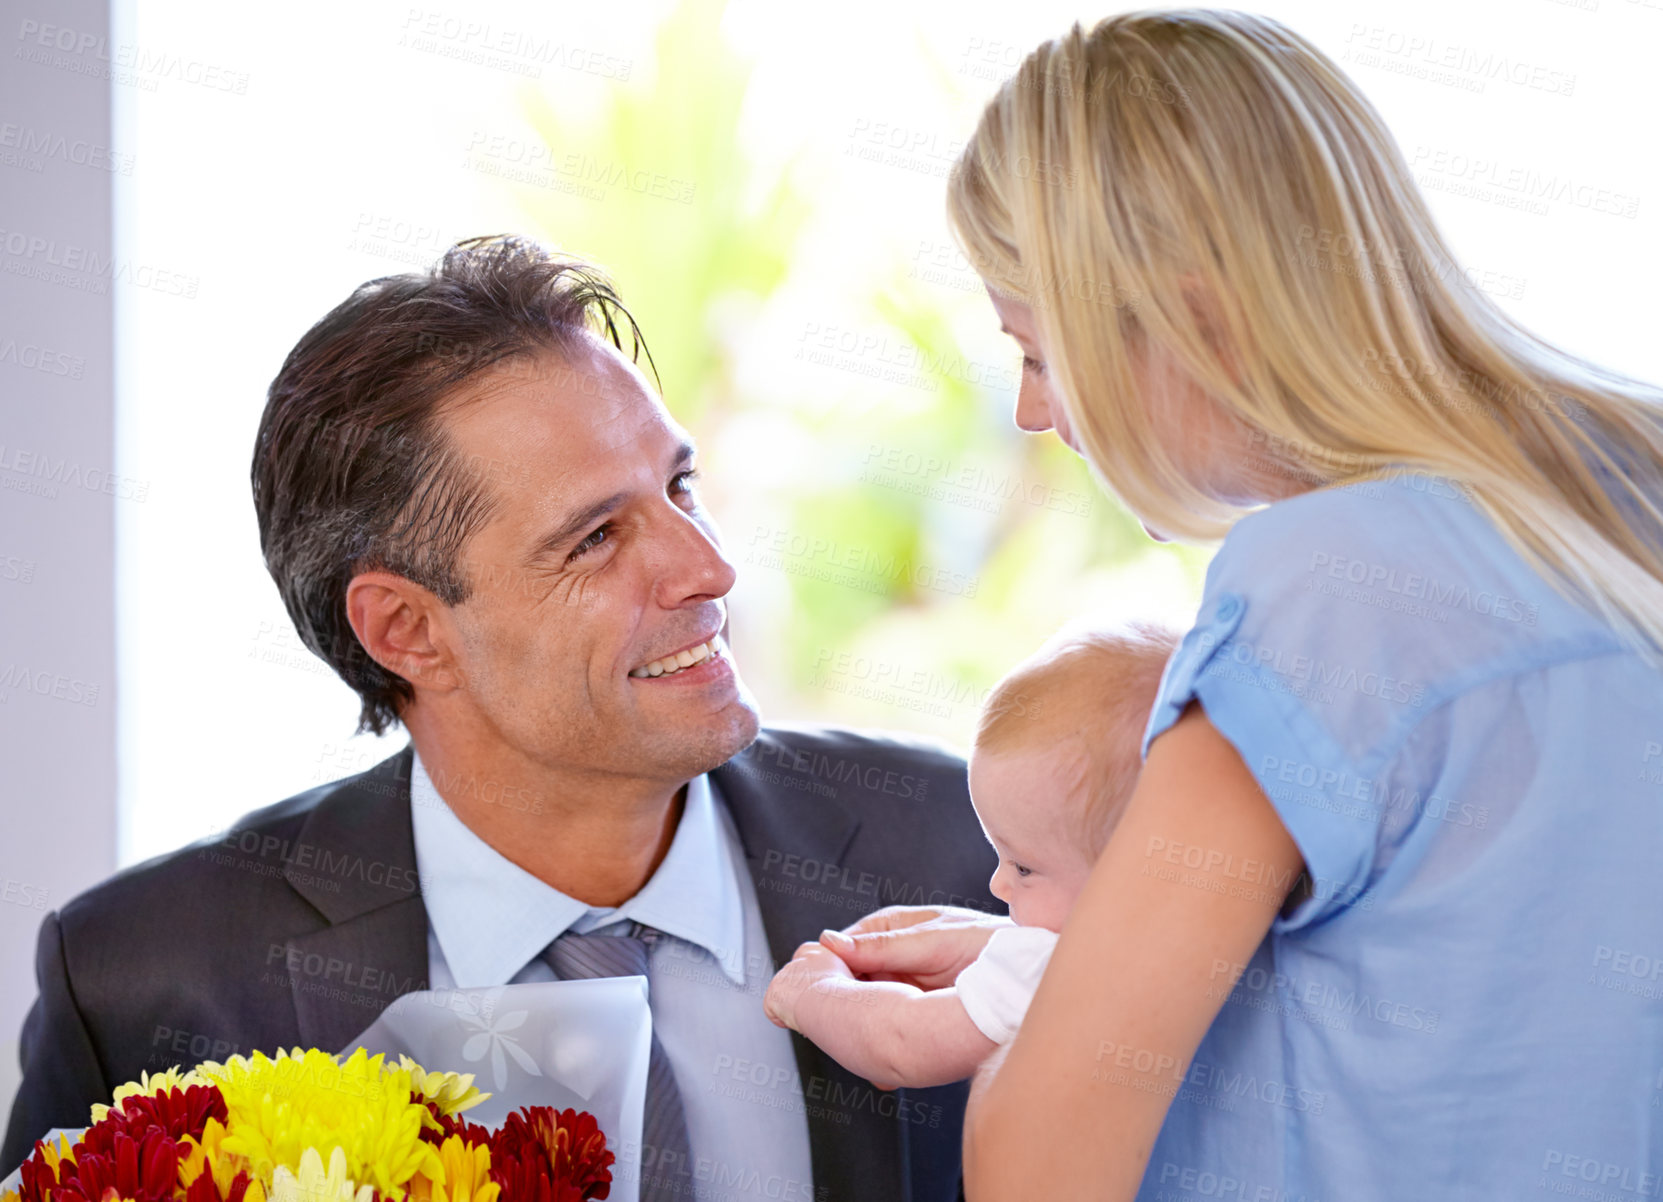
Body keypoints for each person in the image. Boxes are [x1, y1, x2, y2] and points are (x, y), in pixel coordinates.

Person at [791, 11, 1663, 1200]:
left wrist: (1037, 1001)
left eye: (1040, 352)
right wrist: (1044, 957)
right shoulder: (1619, 497)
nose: (1036, 415)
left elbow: (1038, 1166)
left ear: (1190, 321)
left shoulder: (1326, 590)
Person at [0, 236, 1001, 1202]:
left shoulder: (969, 851)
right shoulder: (147, 979)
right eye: (597, 538)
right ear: (406, 630)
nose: (710, 567)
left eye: (680, 485)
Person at [764, 624, 1177, 1088]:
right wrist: (993, 941)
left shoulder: (1056, 969)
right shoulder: (1216, 943)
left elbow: (902, 1042)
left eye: (1024, 867)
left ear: (1128, 880)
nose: (998, 885)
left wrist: (813, 992)